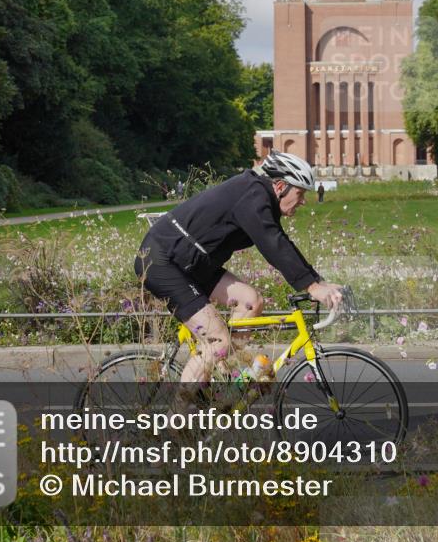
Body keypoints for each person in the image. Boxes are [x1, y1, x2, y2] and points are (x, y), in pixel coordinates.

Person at [135, 151, 343, 384]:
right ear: (281, 186)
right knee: (218, 341)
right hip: (164, 260)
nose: (303, 200)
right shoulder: (252, 196)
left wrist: (319, 282)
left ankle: (222, 380)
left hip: (193, 261)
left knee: (251, 302)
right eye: (300, 193)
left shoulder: (259, 196)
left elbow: (282, 243)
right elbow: (272, 244)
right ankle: (178, 416)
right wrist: (312, 286)